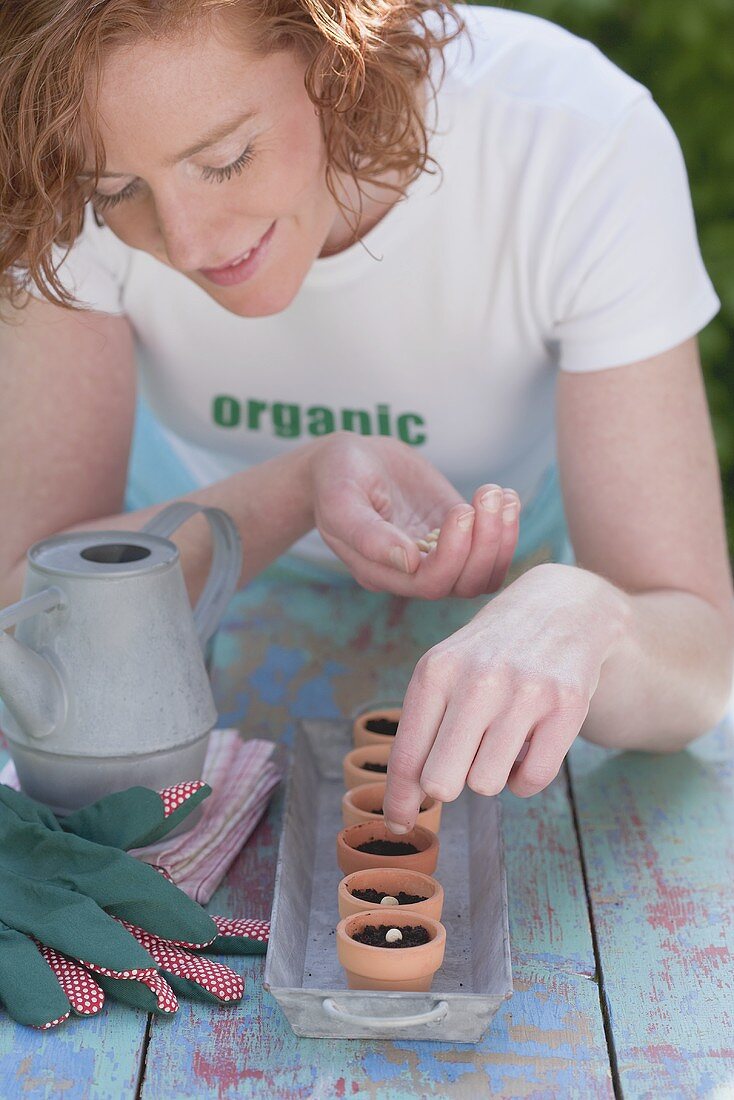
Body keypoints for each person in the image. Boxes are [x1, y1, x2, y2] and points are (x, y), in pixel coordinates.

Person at [1, 0, 732, 834]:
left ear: (338, 63)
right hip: (189, 629)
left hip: (504, 637)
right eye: (119, 192)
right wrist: (296, 488)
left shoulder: (572, 138)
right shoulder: (56, 138)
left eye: (227, 158)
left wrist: (587, 612)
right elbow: (26, 603)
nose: (190, 243)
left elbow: (699, 666)